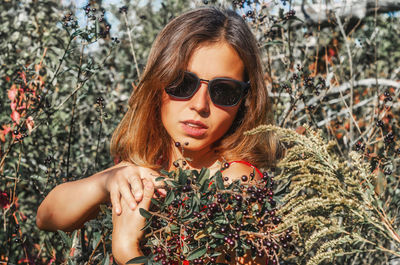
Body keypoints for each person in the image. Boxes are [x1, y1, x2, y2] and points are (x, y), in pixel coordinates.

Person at [36, 6, 282, 264]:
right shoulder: (152, 164)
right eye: (182, 83)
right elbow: (47, 216)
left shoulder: (239, 185)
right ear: (157, 83)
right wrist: (108, 182)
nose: (200, 105)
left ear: (245, 101)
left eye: (224, 91)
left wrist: (126, 250)